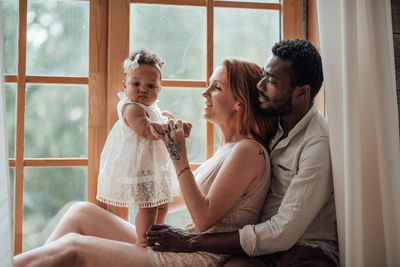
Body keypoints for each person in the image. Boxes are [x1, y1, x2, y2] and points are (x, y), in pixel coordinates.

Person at [13, 58, 278, 267]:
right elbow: (173, 198)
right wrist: (136, 169)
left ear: (239, 104)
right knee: (80, 212)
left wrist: (179, 158)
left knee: (73, 247)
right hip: (181, 246)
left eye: (216, 87)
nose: (205, 92)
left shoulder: (248, 151)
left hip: (197, 257)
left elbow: (202, 219)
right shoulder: (227, 148)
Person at [146, 39, 338, 266]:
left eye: (272, 81)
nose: (260, 86)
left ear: (303, 92)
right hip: (264, 248)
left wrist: (192, 242)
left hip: (305, 251)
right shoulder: (270, 128)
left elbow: (282, 233)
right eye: (263, 76)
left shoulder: (317, 144)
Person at [95, 48, 191, 247]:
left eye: (150, 86)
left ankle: (156, 237)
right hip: (139, 167)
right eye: (136, 84)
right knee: (148, 208)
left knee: (162, 204)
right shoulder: (130, 108)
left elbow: (153, 118)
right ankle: (142, 242)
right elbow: (146, 130)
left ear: (159, 89)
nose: (143, 89)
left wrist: (165, 118)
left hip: (153, 166)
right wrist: (167, 127)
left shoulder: (150, 107)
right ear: (125, 85)